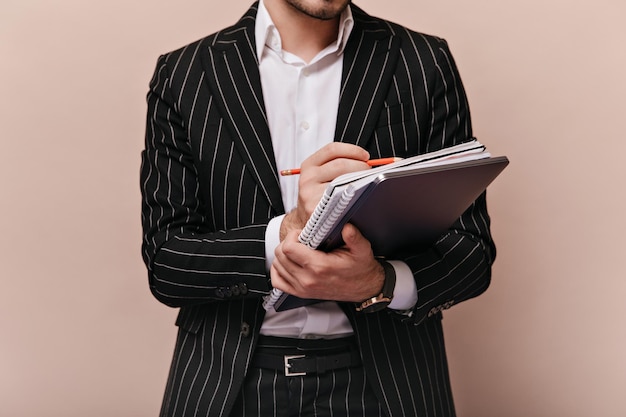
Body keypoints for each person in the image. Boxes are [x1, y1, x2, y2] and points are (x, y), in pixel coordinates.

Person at [140, 0, 496, 416]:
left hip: (390, 383)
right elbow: (167, 263)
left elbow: (471, 253)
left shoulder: (422, 61)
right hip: (228, 385)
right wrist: (286, 232)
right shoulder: (185, 73)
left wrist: (378, 283)